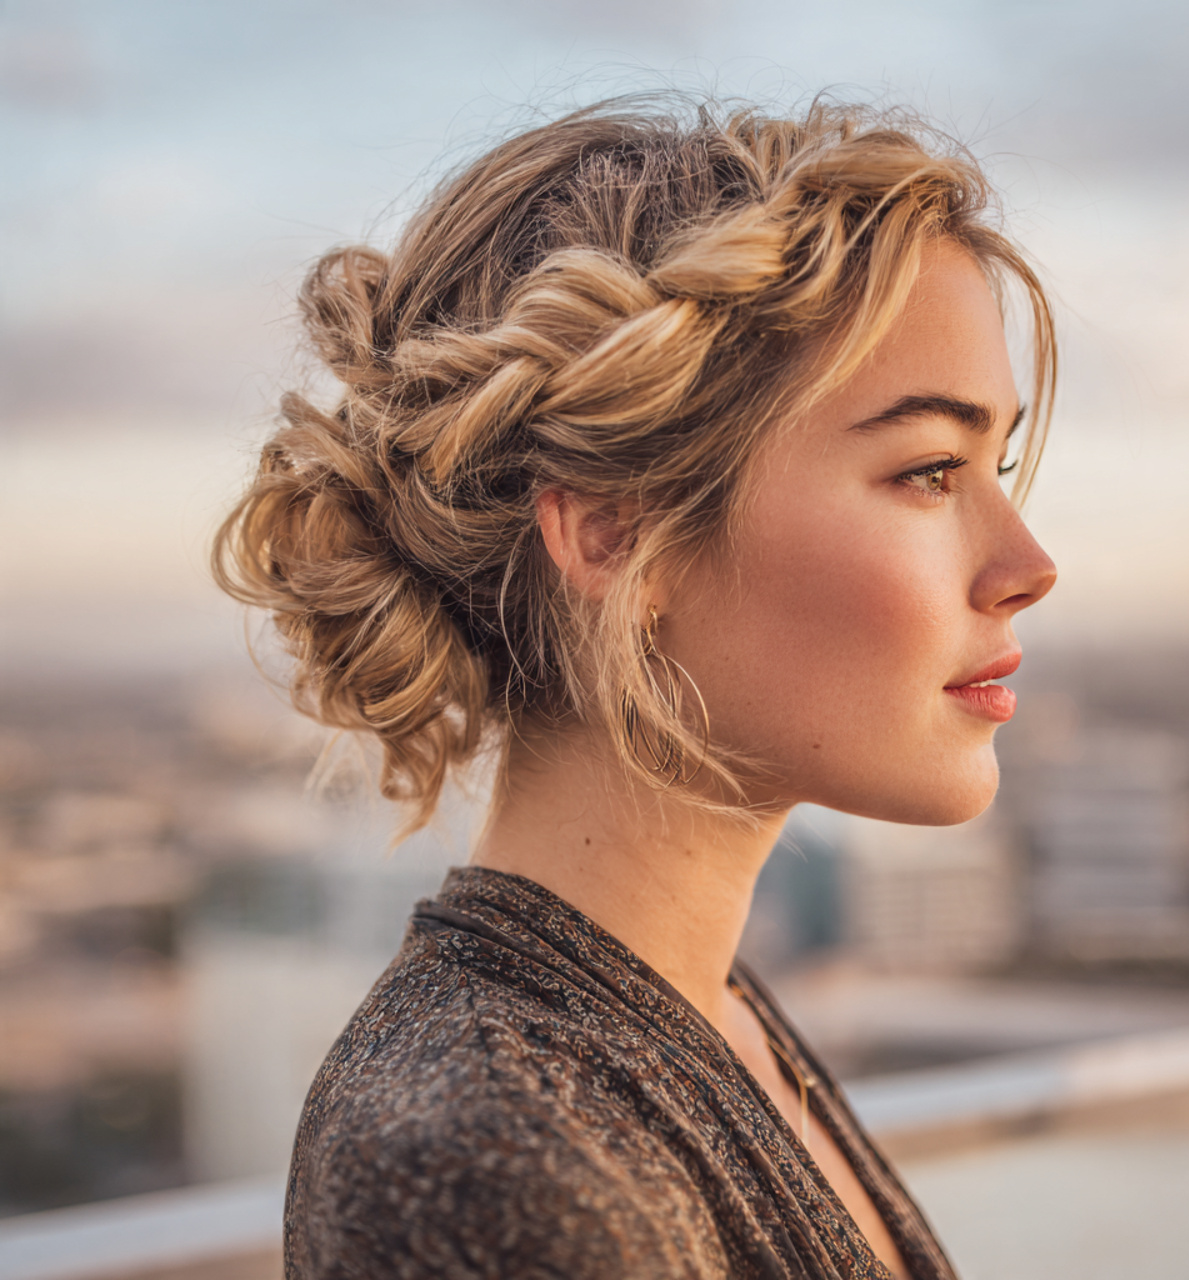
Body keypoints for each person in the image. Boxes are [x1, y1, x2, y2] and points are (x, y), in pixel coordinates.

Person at [214, 95, 1057, 1280]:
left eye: (996, 465)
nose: (1028, 566)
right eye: (927, 470)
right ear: (615, 536)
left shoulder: (693, 1016)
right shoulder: (498, 1166)